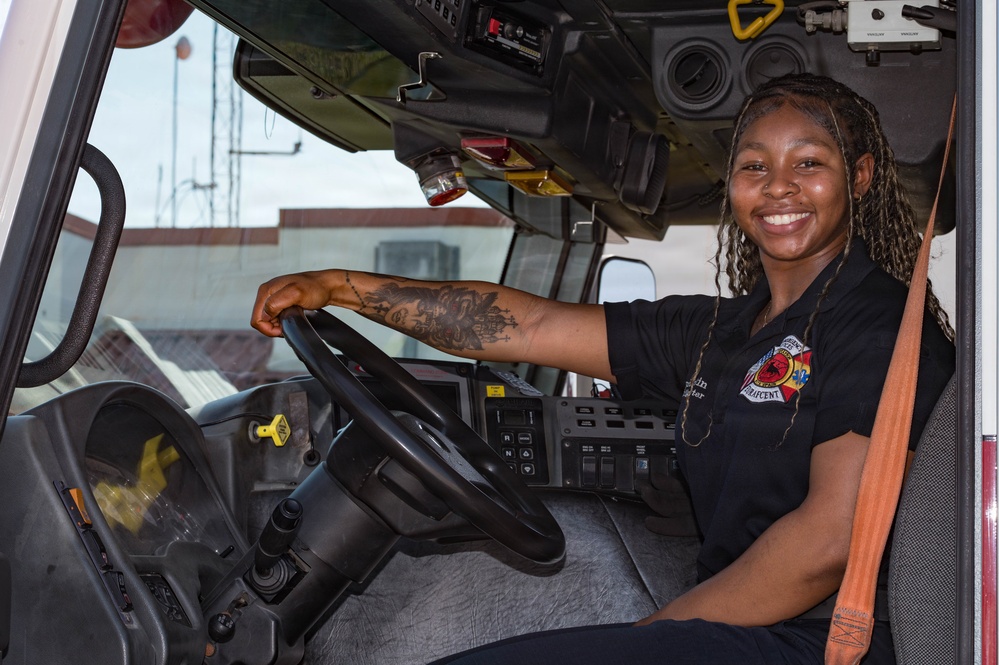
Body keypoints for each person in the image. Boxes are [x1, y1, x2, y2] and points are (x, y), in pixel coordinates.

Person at [251, 73, 955, 664]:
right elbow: (527, 325)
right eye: (753, 165)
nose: (778, 188)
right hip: (735, 624)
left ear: (858, 177)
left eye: (808, 162)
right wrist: (339, 287)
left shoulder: (879, 324)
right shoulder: (719, 329)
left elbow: (826, 541)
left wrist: (652, 636)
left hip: (824, 638)